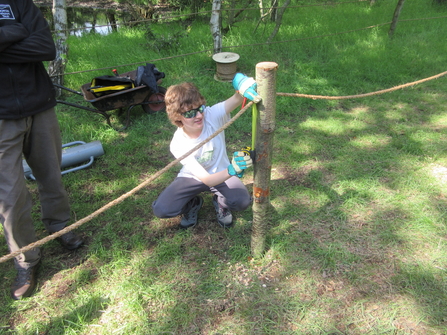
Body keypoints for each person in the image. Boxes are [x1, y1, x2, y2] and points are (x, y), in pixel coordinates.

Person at [0, 0, 84, 300]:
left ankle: (60, 227)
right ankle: (27, 260)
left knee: (52, 177)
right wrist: (15, 32)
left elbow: (45, 47)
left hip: (40, 106)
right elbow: (29, 41)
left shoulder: (19, 3)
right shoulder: (18, 17)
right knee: (9, 197)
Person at [152, 74, 260, 229]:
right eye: (189, 113)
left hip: (221, 173)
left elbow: (237, 98)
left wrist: (242, 84)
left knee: (242, 201)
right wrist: (233, 169)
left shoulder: (211, 115)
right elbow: (207, 180)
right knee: (162, 209)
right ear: (177, 117)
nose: (199, 115)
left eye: (199, 108)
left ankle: (221, 202)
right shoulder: (178, 143)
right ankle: (192, 203)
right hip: (194, 177)